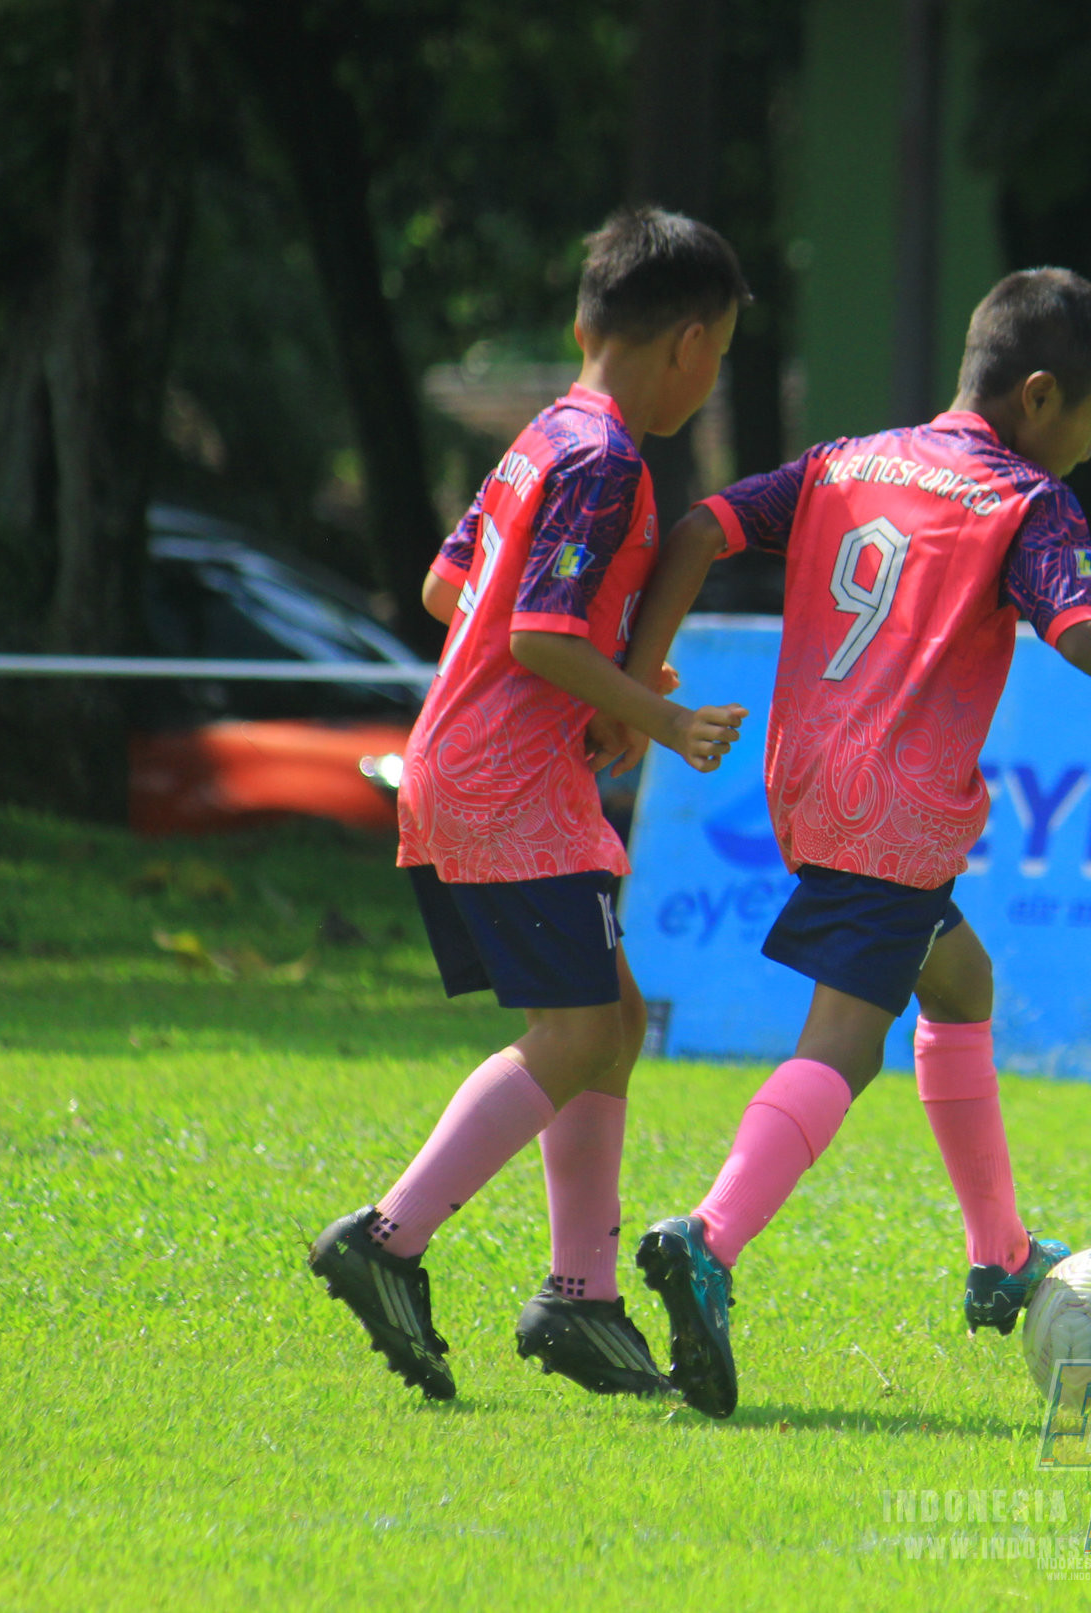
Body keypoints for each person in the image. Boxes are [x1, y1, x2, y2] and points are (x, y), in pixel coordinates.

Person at [618, 267, 1091, 1419]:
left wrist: (638, 675)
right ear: (1042, 396)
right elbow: (1082, 631)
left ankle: (999, 1251)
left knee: (960, 979)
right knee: (846, 1045)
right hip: (897, 804)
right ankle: (708, 1237)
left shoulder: (844, 459)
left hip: (809, 781)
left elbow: (704, 522)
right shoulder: (1022, 498)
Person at [306, 208, 751, 1402]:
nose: (712, 383)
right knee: (573, 1031)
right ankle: (387, 1237)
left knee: (608, 1015)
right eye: (720, 360)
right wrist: (656, 712)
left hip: (482, 763)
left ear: (580, 324)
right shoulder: (609, 462)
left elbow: (450, 589)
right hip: (509, 779)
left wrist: (600, 677)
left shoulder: (543, 438)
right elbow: (539, 630)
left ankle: (579, 1298)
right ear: (692, 345)